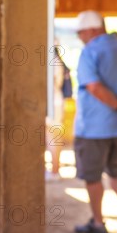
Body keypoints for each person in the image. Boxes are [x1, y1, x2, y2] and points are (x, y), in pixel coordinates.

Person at [72, 10, 117, 233]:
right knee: (115, 171)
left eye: (81, 32)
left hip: (93, 128)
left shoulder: (90, 52)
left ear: (93, 29)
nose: (79, 37)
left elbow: (93, 86)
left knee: (92, 176)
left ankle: (97, 223)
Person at [46, 45, 69, 181]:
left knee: (53, 138)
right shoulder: (56, 61)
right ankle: (54, 170)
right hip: (55, 103)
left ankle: (55, 171)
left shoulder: (52, 61)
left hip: (53, 104)